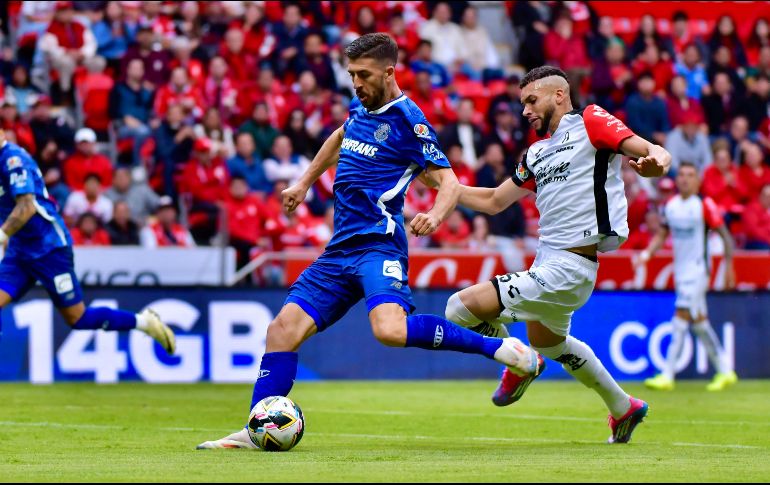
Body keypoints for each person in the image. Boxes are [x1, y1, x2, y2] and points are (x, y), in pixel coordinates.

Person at [197, 33, 539, 450]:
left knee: (390, 331)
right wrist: (304, 182)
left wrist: (433, 214)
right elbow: (339, 138)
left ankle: (503, 350)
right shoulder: (361, 107)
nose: (355, 83)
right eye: (351, 74)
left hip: (380, 245)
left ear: (389, 73)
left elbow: (448, 181)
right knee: (281, 330)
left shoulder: (409, 120)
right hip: (339, 250)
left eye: (363, 74)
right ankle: (257, 429)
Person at [444, 66, 672, 444]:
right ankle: (623, 407)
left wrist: (657, 163)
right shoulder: (535, 153)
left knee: (457, 308)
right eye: (522, 103)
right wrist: (445, 186)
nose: (525, 111)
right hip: (549, 265)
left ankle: (516, 359)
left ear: (559, 96)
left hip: (571, 265)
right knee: (551, 344)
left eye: (532, 100)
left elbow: (650, 149)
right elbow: (494, 200)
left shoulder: (590, 121)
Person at [0, 131, 174, 350]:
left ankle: (145, 322)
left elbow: (27, 207)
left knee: (78, 318)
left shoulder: (13, 160)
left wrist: (2, 235)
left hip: (49, 248)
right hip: (20, 251)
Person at [638, 162, 738, 391]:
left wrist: (730, 266)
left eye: (690, 175)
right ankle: (725, 371)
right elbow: (662, 235)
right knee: (700, 323)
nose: (684, 179)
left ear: (697, 181)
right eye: (681, 175)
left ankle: (667, 374)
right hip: (681, 271)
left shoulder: (704, 205)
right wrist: (646, 255)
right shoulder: (671, 206)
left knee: (680, 318)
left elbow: (725, 237)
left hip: (699, 269)